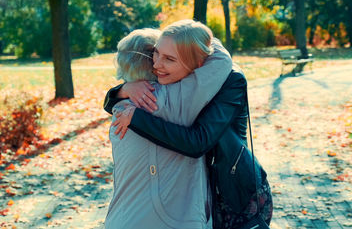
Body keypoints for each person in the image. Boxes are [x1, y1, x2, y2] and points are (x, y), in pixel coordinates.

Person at [104, 32, 273, 228]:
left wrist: (130, 106)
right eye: (157, 55)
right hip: (208, 189)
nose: (159, 63)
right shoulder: (175, 92)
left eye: (169, 57)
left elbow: (197, 142)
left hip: (236, 188)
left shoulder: (225, 82)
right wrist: (123, 89)